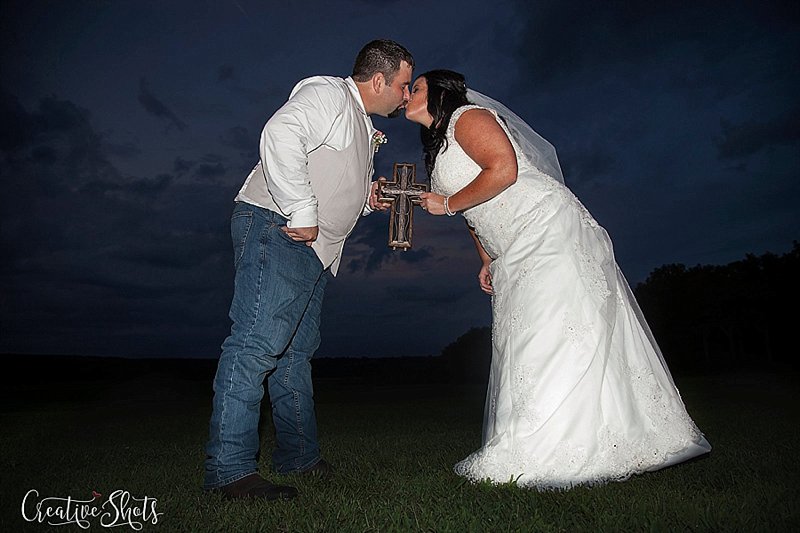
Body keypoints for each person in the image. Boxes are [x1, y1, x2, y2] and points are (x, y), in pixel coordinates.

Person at [405, 70, 711, 490]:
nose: (408, 94)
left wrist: (448, 203)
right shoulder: (439, 151)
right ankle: (546, 441)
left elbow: (504, 170)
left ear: (439, 94)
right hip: (511, 247)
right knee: (525, 338)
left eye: (416, 87)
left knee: (552, 334)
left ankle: (558, 446)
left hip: (545, 227)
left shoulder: (468, 118)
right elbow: (472, 216)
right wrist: (487, 260)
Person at [204, 39, 413, 500]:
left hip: (313, 249)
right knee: (256, 345)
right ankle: (230, 471)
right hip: (278, 227)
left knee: (294, 356)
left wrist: (366, 198)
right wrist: (300, 209)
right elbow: (280, 135)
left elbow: (331, 177)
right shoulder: (330, 94)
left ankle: (299, 456)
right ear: (377, 79)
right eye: (402, 85)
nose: (405, 95)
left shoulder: (360, 121)